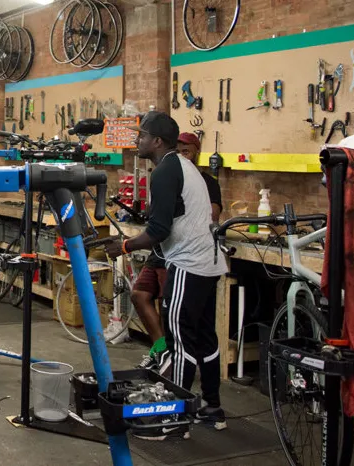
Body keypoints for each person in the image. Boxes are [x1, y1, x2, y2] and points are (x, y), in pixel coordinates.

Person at [106, 112, 228, 438]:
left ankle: (173, 419)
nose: (137, 140)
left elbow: (158, 230)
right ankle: (212, 408)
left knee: (178, 342)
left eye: (142, 135)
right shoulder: (184, 168)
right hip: (209, 263)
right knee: (204, 339)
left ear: (157, 141)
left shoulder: (164, 171)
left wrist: (125, 246)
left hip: (189, 264)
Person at [132, 132, 223, 373]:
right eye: (179, 150)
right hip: (166, 252)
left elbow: (164, 226)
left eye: (187, 151)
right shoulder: (166, 173)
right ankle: (162, 352)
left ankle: (176, 399)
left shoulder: (200, 179)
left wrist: (125, 246)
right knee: (140, 294)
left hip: (186, 257)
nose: (182, 155)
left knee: (180, 330)